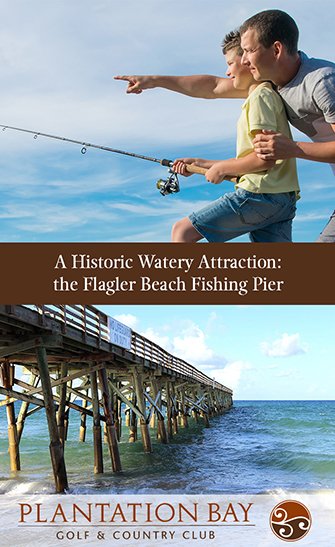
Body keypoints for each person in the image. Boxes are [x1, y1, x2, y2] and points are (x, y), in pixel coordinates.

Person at [114, 10, 335, 242]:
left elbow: (267, 159)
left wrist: (292, 148)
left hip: (267, 195)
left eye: (249, 51)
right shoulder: (271, 84)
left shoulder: (321, 82)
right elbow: (212, 86)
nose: (245, 60)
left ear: (276, 50)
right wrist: (154, 81)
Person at [168, 30, 299, 242]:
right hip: (282, 199)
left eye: (230, 63)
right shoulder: (267, 94)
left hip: (261, 195)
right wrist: (203, 163)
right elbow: (255, 158)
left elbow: (264, 159)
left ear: (248, 61)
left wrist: (222, 169)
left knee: (181, 232)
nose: (228, 72)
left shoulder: (259, 97)